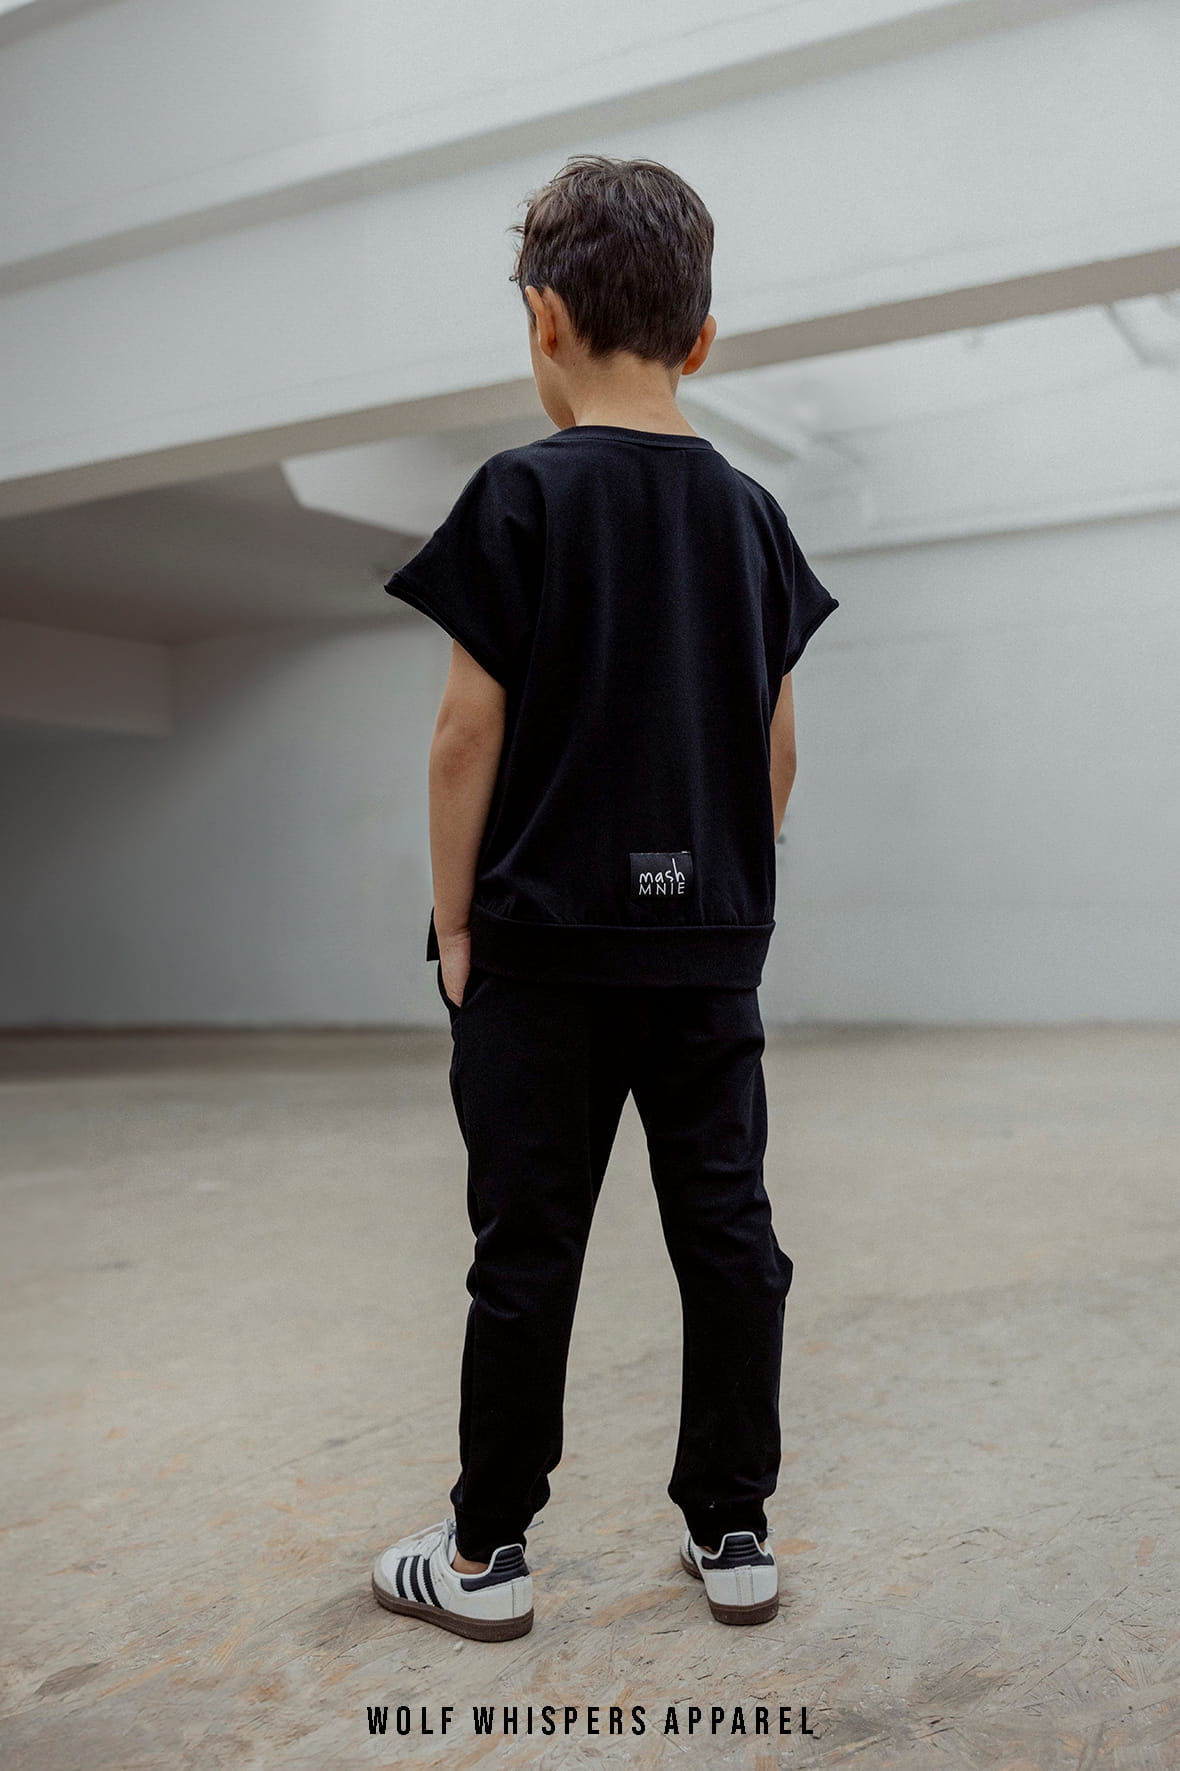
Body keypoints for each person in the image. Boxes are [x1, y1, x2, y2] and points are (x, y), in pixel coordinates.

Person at [371, 154, 839, 1641]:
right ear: (700, 338)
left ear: (544, 319)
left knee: (528, 1248)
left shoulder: (519, 494)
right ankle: (735, 1530)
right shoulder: (752, 515)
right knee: (729, 1237)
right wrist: (721, 897)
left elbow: (466, 737)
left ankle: (487, 1554)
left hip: (540, 954)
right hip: (705, 958)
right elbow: (775, 742)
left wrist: (455, 924)